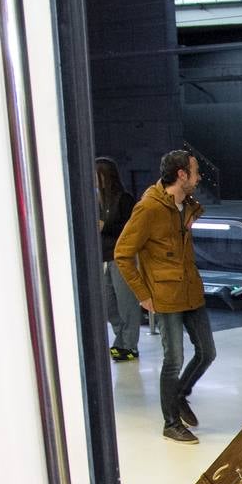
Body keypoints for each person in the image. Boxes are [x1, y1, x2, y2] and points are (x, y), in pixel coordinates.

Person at [114, 149, 217, 445]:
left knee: (207, 352)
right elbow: (122, 253)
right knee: (173, 359)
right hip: (165, 294)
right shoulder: (149, 208)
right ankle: (171, 422)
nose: (199, 178)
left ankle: (180, 394)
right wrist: (142, 294)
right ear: (181, 174)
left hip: (191, 291)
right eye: (195, 172)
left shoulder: (185, 205)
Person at [96, 157, 140, 362]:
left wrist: (106, 227)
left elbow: (131, 229)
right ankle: (120, 339)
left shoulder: (124, 199)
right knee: (109, 304)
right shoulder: (95, 201)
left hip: (121, 258)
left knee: (126, 303)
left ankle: (128, 345)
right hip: (103, 257)